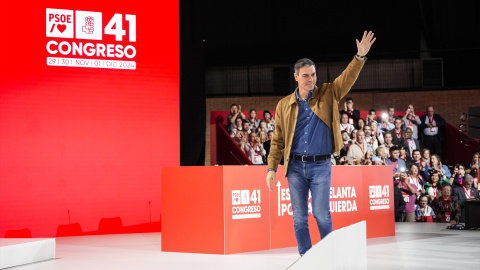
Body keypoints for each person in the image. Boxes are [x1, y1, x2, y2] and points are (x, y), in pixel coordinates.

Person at [266, 31, 375, 256]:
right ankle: (306, 258)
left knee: (321, 214)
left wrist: (359, 57)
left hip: (321, 166)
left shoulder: (328, 93)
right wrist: (270, 168)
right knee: (299, 218)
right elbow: (277, 140)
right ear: (296, 76)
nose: (311, 79)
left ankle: (329, 256)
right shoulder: (283, 105)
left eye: (313, 75)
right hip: (294, 167)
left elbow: (347, 77)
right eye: (306, 75)